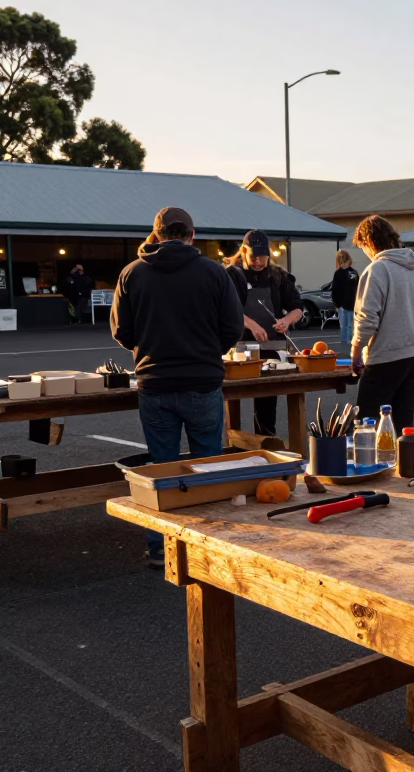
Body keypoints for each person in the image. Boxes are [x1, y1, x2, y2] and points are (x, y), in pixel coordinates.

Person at [110, 207, 244, 568]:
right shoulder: (214, 272)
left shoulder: (132, 273)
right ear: (192, 235)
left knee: (162, 468)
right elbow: (232, 327)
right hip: (202, 381)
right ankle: (209, 545)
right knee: (207, 466)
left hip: (154, 381)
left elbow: (122, 332)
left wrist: (150, 346)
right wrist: (206, 351)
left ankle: (160, 547)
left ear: (155, 235)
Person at [349, 216, 414, 430]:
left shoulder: (377, 269)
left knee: (366, 426)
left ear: (369, 243)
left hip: (384, 358)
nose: (366, 255)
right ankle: (408, 463)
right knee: (404, 424)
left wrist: (356, 352)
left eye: (363, 248)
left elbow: (367, 320)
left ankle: (373, 464)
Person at [226, 230, 304, 435]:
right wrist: (251, 324)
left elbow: (297, 307)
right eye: (253, 257)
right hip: (240, 350)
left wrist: (286, 321)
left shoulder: (279, 277)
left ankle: (266, 440)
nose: (258, 262)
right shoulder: (232, 276)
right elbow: (226, 309)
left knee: (267, 400)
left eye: (262, 257)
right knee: (232, 397)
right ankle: (235, 444)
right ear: (243, 251)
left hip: (273, 349)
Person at [331, 249, 359, 350]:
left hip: (346, 304)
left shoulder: (340, 273)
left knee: (346, 326)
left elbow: (335, 290)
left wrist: (337, 304)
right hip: (349, 304)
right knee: (350, 326)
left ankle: (346, 346)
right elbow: (356, 287)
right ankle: (349, 345)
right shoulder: (353, 272)